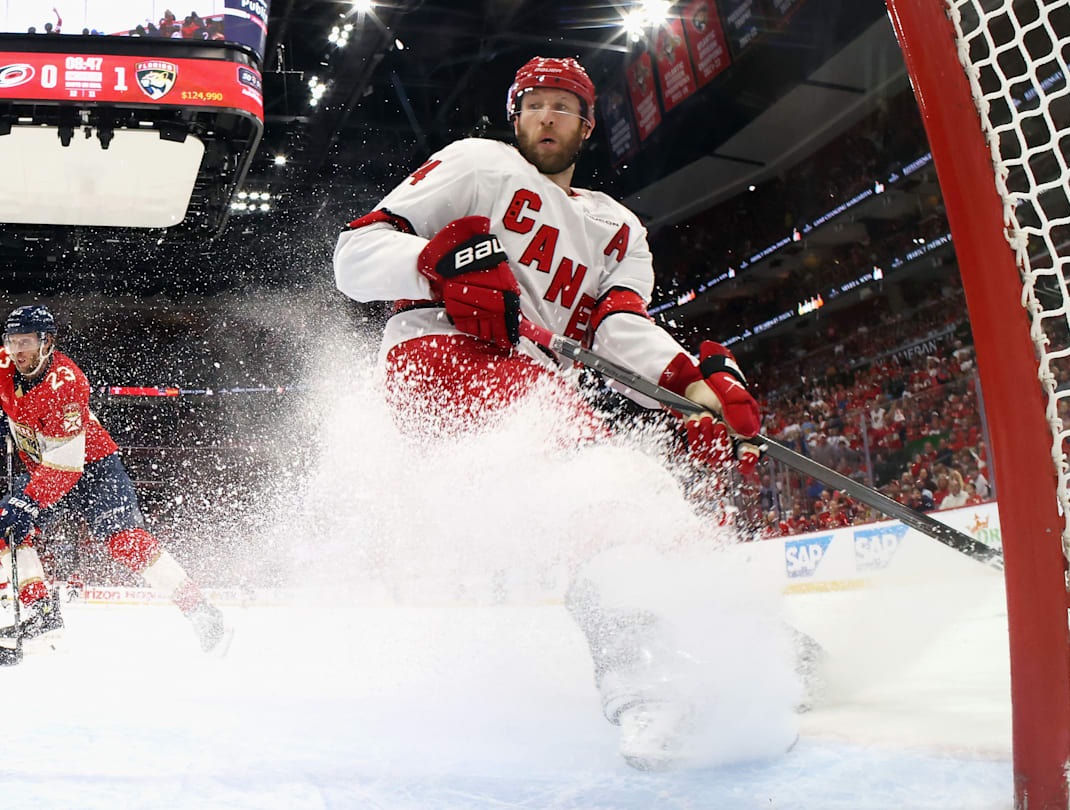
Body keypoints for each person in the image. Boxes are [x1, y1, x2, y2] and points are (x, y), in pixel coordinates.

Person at [333, 57, 778, 770]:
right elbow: (354, 257)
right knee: (602, 487)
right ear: (515, 117)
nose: (547, 116)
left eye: (562, 106)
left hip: (534, 385)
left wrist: (691, 388)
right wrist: (441, 264)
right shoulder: (477, 164)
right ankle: (645, 687)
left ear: (587, 124)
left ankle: (756, 648)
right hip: (439, 358)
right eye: (534, 104)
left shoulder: (617, 228)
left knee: (645, 495)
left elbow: (618, 331)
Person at [0, 306, 230, 665]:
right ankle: (42, 616)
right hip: (43, 466)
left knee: (126, 541)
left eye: (26, 342)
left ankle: (201, 612)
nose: (18, 351)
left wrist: (27, 502)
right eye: (12, 342)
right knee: (6, 531)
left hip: (90, 470)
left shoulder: (68, 382)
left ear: (47, 343)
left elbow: (65, 466)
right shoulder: (4, 363)